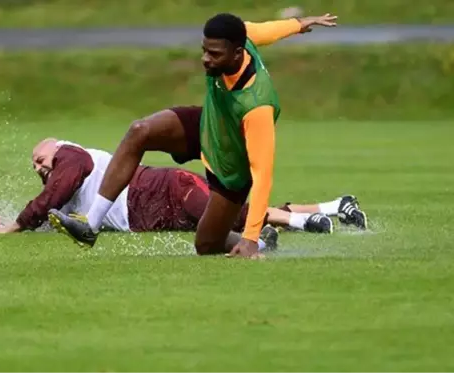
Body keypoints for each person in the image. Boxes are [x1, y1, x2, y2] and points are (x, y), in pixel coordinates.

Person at [47, 13, 339, 258]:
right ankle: (90, 226)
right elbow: (267, 30)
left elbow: (262, 174)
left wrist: (249, 239)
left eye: (214, 54)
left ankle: (263, 242)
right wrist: (300, 23)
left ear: (238, 53)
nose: (205, 59)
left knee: (206, 245)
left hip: (230, 164)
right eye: (204, 50)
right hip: (206, 125)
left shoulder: (257, 105)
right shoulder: (241, 36)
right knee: (140, 131)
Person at [0, 139, 367, 243]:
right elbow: (55, 211)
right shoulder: (63, 176)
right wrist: (18, 223)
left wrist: (16, 226)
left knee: (229, 215)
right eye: (34, 166)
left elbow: (57, 189)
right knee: (234, 213)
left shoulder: (70, 157)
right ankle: (336, 205)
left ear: (56, 148)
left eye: (40, 158)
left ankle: (303, 222)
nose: (39, 167)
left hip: (163, 190)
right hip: (153, 208)